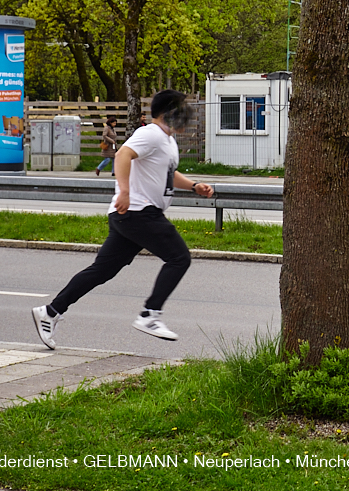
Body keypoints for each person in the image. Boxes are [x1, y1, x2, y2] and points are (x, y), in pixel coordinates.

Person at [32, 91, 214, 349]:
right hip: (138, 211)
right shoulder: (150, 133)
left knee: (102, 271)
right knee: (179, 257)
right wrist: (125, 191)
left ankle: (49, 312)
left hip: (129, 216)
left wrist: (194, 185)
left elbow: (168, 174)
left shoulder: (167, 141)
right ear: (168, 112)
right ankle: (150, 314)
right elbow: (122, 155)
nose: (187, 114)